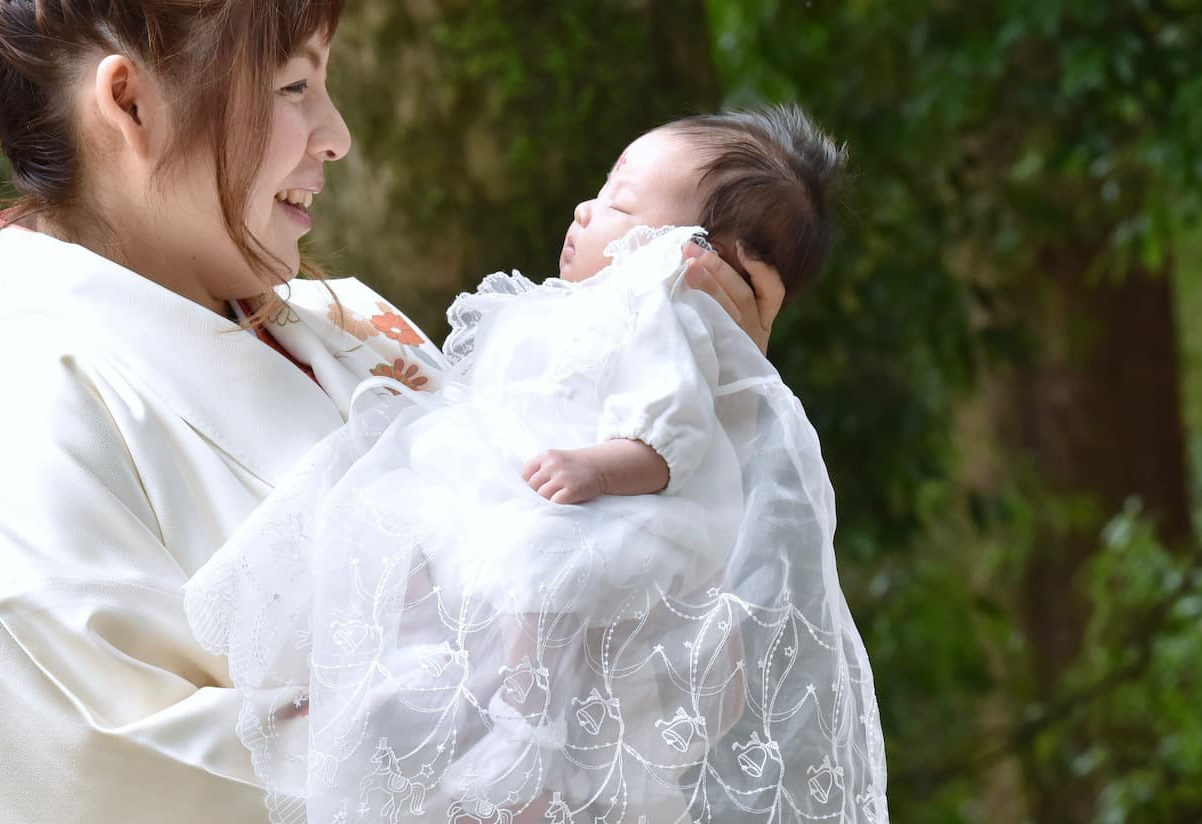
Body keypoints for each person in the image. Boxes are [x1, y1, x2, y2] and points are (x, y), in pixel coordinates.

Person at [0, 0, 781, 823]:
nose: (336, 135)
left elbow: (590, 601)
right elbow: (114, 777)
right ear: (129, 103)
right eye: (293, 88)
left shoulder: (355, 328)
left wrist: (688, 379)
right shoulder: (35, 412)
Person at [188, 108, 888, 823]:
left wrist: (644, 442)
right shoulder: (561, 316)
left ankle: (526, 730)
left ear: (689, 257)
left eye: (620, 204)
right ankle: (370, 679)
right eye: (603, 191)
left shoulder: (653, 318)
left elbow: (667, 426)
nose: (585, 209)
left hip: (596, 512)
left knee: (537, 575)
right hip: (518, 506)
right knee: (399, 530)